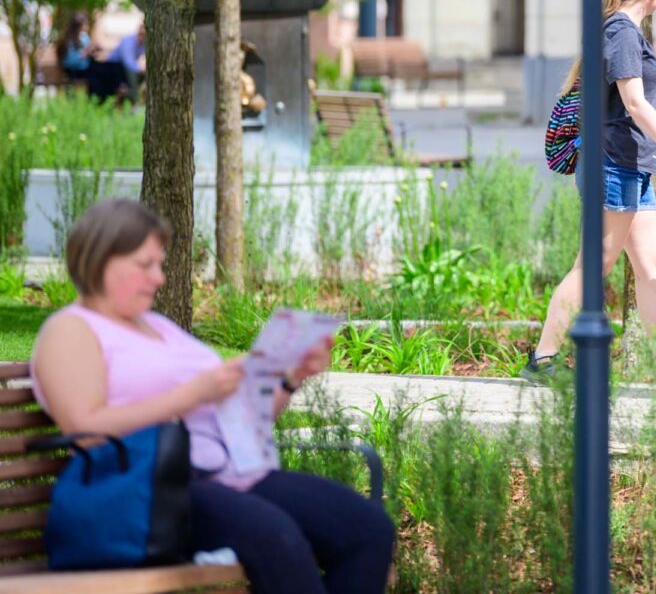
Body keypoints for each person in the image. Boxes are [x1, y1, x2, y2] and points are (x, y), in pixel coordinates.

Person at [29, 200, 393, 594]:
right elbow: (83, 428)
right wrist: (191, 394)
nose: (159, 278)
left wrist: (290, 377)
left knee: (366, 528)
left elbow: (237, 417)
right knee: (276, 537)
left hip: (230, 474)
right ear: (101, 260)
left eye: (160, 265)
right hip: (149, 490)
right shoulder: (70, 330)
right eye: (144, 264)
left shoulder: (157, 327)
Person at [524, 0, 656, 381]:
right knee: (594, 265)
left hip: (632, 166)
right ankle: (543, 359)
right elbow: (635, 102)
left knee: (652, 266)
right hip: (613, 166)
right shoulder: (621, 32)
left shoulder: (624, 32)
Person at [109, 23, 147, 101]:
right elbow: (129, 62)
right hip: (114, 67)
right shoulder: (128, 42)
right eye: (140, 34)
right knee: (133, 73)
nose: (141, 37)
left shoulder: (144, 44)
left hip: (124, 68)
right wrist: (141, 69)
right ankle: (135, 100)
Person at [55, 13, 93, 80]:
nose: (87, 26)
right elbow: (70, 61)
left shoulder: (82, 36)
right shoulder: (74, 38)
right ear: (80, 25)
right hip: (76, 70)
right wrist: (84, 55)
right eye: (86, 24)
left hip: (77, 70)